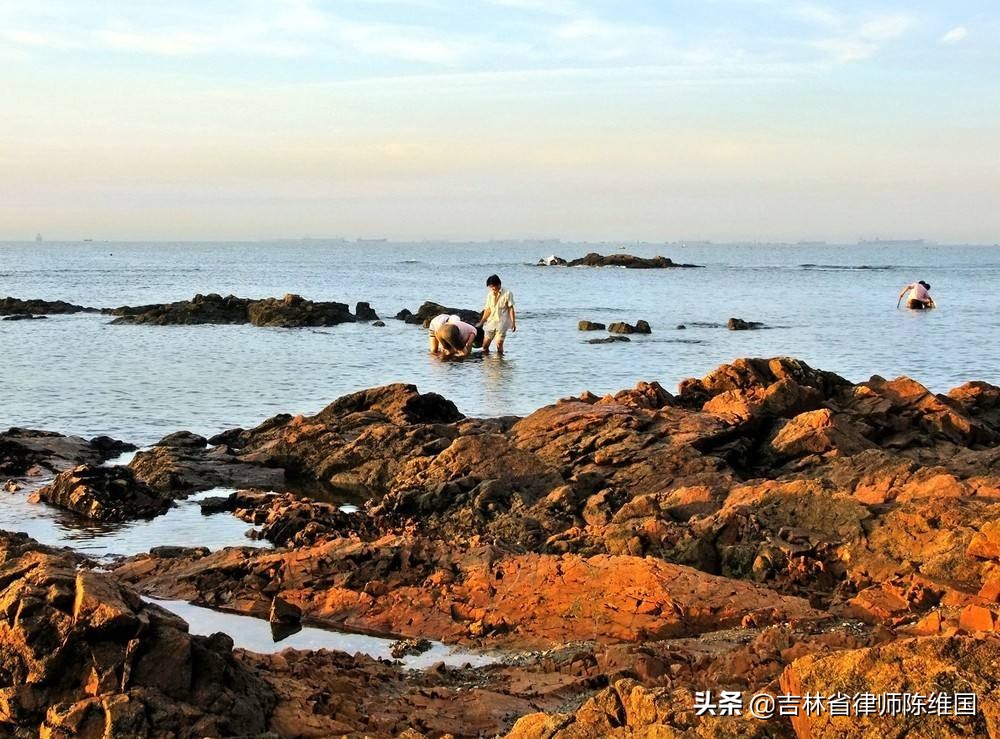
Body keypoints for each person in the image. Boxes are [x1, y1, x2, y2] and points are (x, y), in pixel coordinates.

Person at [477, 274, 516, 354]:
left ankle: (500, 363)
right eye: (490, 287)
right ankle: (487, 364)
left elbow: (511, 309)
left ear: (498, 284)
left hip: (502, 323)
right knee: (485, 346)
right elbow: (488, 310)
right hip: (491, 323)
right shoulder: (490, 295)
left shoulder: (507, 293)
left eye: (492, 286)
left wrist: (513, 323)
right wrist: (481, 322)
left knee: (499, 344)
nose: (491, 289)